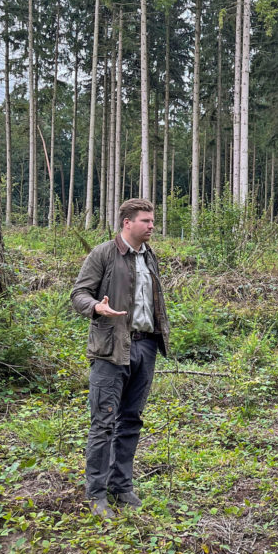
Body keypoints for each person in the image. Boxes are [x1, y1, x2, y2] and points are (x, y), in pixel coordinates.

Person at [71, 198, 170, 519]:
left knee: (131, 420)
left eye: (152, 221)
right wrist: (96, 307)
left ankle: (121, 486)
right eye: (145, 220)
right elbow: (78, 294)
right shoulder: (103, 254)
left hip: (145, 347)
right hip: (110, 350)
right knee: (104, 423)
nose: (151, 226)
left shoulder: (150, 257)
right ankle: (96, 494)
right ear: (127, 222)